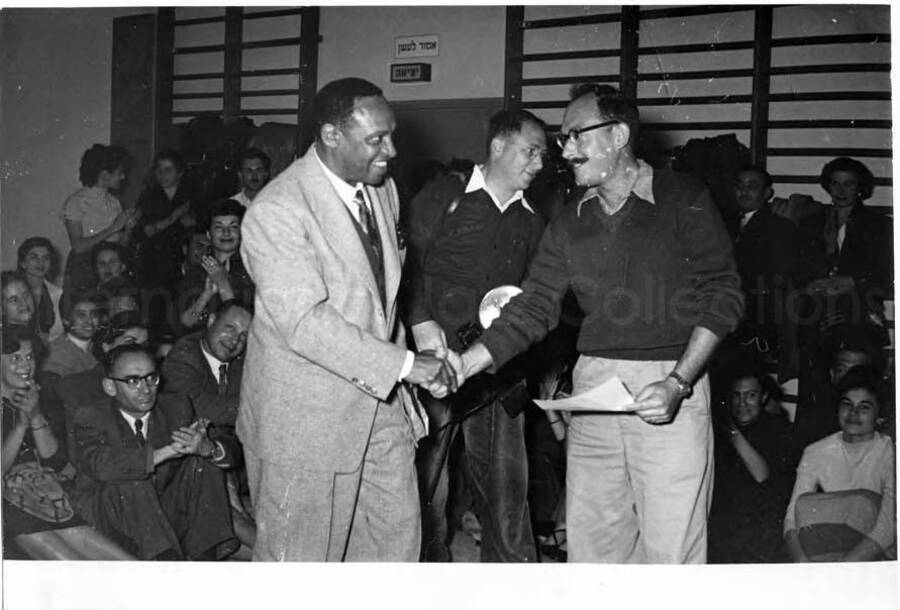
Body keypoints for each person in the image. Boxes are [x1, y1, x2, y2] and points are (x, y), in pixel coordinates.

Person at [455, 84, 744, 563]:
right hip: (595, 392)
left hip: (671, 384)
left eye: (575, 136)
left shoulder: (683, 197)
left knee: (671, 552)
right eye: (562, 139)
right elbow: (533, 306)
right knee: (592, 552)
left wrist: (679, 382)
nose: (564, 150)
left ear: (618, 135)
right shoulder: (569, 221)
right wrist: (467, 363)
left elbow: (723, 294)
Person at [238, 77, 457, 561]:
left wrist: (419, 339)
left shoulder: (380, 189)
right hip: (306, 419)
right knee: (302, 563)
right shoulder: (277, 210)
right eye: (376, 140)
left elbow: (380, 294)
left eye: (391, 134)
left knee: (394, 548)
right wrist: (403, 365)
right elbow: (304, 321)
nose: (392, 150)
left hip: (380, 409)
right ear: (331, 136)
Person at [406, 109, 548, 562]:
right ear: (498, 146)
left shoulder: (532, 221)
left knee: (508, 483)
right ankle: (422, 578)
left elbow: (533, 300)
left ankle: (511, 582)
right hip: (434, 360)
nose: (539, 164)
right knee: (426, 480)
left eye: (543, 156)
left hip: (496, 366)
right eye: (531, 151)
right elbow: (404, 265)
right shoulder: (443, 195)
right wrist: (421, 324)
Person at [69, 344, 239, 560]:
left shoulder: (175, 406)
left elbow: (232, 449)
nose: (146, 389)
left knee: (201, 460)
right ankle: (165, 561)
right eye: (133, 381)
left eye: (151, 378)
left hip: (161, 504)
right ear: (110, 386)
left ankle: (204, 558)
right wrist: (164, 453)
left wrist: (207, 448)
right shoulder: (91, 416)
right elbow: (101, 465)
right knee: (131, 475)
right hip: (110, 511)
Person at [1, 328, 134, 560]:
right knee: (72, 567)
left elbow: (55, 460)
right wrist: (22, 425)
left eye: (30, 357)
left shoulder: (40, 395)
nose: (26, 365)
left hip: (44, 492)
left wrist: (35, 415)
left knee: (124, 562)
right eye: (15, 359)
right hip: (9, 500)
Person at [160, 299, 255, 549]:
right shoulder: (184, 355)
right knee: (232, 513)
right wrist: (261, 406)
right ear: (211, 321)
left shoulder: (242, 361)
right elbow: (197, 408)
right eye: (230, 327)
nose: (236, 340)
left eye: (244, 335)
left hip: (227, 459)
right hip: (184, 466)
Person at [784, 366, 895, 561]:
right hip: (833, 550)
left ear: (880, 416)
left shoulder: (890, 453)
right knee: (805, 504)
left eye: (864, 407)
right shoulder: (816, 451)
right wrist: (801, 562)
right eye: (847, 404)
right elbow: (792, 517)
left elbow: (888, 528)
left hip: (878, 552)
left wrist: (841, 569)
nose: (853, 413)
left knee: (862, 503)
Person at [708, 367, 796, 563]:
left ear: (763, 397)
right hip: (726, 523)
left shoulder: (778, 428)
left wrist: (731, 429)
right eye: (736, 396)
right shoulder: (715, 431)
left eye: (751, 395)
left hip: (762, 526)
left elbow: (760, 474)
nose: (742, 403)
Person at [61, 144, 140, 294]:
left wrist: (129, 229)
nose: (123, 177)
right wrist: (114, 228)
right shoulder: (77, 201)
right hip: (84, 271)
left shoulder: (114, 202)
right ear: (104, 174)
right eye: (120, 173)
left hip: (109, 272)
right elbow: (78, 247)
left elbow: (120, 248)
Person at [177, 198, 254, 332]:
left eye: (233, 227)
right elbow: (186, 322)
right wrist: (206, 296)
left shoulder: (252, 269)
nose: (226, 233)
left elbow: (246, 324)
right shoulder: (196, 271)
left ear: (241, 233)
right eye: (219, 227)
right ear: (208, 234)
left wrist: (223, 284)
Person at [134, 149, 197, 291]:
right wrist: (173, 217)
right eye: (159, 170)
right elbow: (146, 231)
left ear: (180, 172)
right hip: (154, 264)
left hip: (184, 263)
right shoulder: (148, 197)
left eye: (168, 170)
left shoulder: (191, 195)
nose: (162, 175)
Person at [17, 237, 64, 342]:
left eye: (46, 258)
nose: (41, 263)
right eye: (34, 257)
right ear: (23, 263)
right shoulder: (10, 292)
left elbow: (60, 333)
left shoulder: (58, 294)